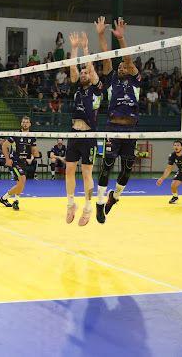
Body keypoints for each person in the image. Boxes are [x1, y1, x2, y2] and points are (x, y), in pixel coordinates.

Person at [94, 17, 141, 223]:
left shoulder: (135, 81)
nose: (122, 68)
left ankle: (115, 197)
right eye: (120, 66)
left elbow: (129, 60)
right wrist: (101, 35)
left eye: (124, 66)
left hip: (131, 130)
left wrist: (122, 39)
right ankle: (99, 203)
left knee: (128, 168)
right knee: (107, 165)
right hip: (113, 128)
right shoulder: (112, 79)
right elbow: (106, 58)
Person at [65, 31, 102, 226]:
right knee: (69, 170)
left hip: (89, 135)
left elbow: (90, 67)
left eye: (86, 72)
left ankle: (88, 207)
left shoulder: (96, 88)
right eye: (82, 72)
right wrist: (74, 48)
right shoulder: (77, 89)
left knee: (86, 173)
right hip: (74, 133)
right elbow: (73, 67)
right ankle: (71, 204)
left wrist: (86, 48)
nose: (83, 73)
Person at [157, 140, 182, 204]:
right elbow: (168, 169)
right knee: (173, 185)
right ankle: (175, 197)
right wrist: (162, 179)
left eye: (178, 145)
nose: (176, 147)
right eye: (175, 145)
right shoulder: (172, 156)